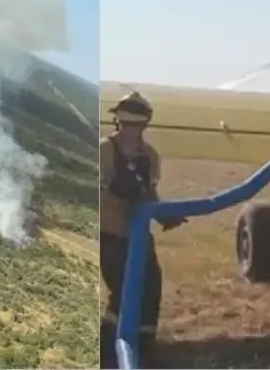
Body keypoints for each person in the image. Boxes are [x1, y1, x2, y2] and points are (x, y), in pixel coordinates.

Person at [99, 91, 186, 369]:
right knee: (123, 290)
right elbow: (103, 190)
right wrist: (124, 195)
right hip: (110, 234)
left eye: (135, 125)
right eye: (126, 124)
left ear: (144, 126)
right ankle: (109, 348)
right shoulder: (104, 151)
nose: (130, 130)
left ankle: (145, 347)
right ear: (117, 123)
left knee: (151, 286)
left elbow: (148, 193)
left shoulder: (150, 156)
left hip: (137, 236)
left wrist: (165, 216)